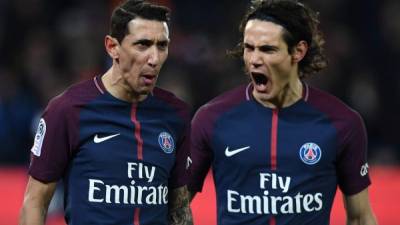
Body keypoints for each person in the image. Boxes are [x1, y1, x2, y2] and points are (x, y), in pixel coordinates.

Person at [189, 0, 377, 224]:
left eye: (268, 49)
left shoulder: (342, 123)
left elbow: (359, 217)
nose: (254, 60)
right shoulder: (211, 119)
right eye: (249, 48)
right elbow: (175, 207)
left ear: (298, 51)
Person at [19, 1, 193, 224]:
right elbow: (35, 202)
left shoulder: (175, 114)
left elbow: (179, 208)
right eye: (143, 45)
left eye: (162, 45)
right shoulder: (68, 110)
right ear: (112, 47)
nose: (154, 58)